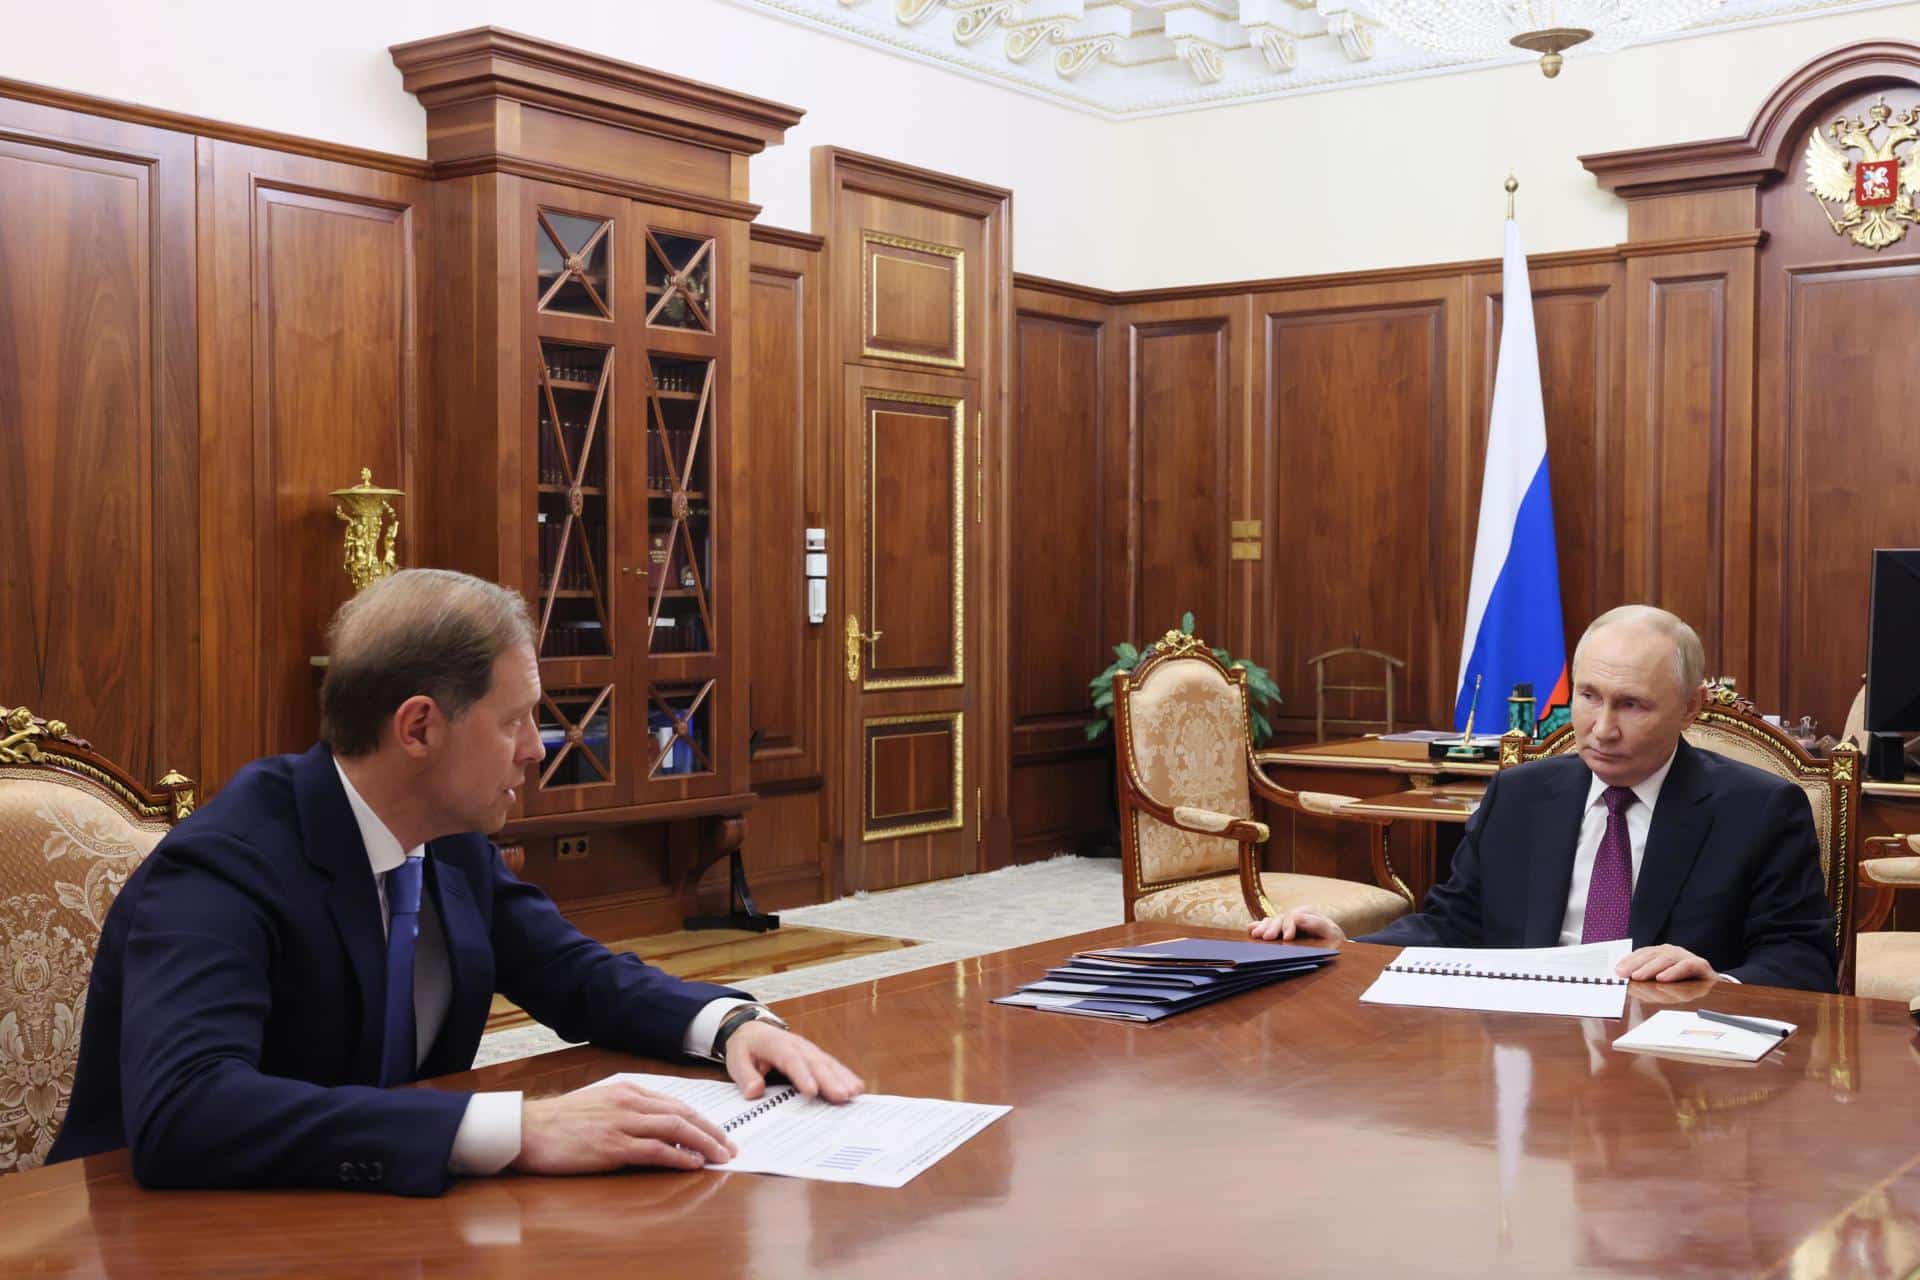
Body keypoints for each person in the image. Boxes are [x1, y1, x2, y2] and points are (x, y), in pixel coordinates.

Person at [50, 569, 863, 1195]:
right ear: (418, 728)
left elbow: (572, 973)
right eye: (513, 721)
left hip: (365, 1222)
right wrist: (514, 1129)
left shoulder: (447, 839)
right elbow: (188, 1112)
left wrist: (727, 1027)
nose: (537, 749)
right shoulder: (227, 864)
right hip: (157, 1238)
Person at [1251, 605, 1837, 992]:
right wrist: (1347, 948)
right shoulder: (1520, 794)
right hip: (1526, 1047)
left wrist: (1717, 981)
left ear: (1690, 707)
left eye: (1632, 704)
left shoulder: (1760, 810)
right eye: (1588, 696)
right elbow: (1454, 923)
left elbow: (1805, 962)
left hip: (1672, 1062)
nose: (1601, 728)